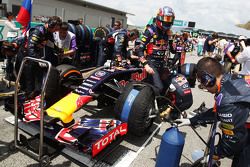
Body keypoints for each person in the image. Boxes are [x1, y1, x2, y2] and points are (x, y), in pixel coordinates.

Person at [176, 57, 250, 167]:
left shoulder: (228, 100)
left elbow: (233, 141)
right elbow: (219, 112)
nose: (203, 87)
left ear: (208, 80)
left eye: (202, 83)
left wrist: (214, 154)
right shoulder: (231, 79)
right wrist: (192, 120)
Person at [15, 16, 62, 98]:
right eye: (55, 29)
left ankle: (36, 94)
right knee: (29, 79)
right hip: (25, 55)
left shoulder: (48, 32)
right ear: (50, 25)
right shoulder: (37, 31)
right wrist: (39, 60)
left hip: (34, 55)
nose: (56, 31)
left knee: (38, 76)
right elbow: (30, 48)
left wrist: (58, 50)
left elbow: (49, 43)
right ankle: (27, 97)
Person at [137, 6, 176, 94]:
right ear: (159, 18)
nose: (168, 21)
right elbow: (139, 49)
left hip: (162, 63)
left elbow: (173, 51)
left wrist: (170, 39)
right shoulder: (150, 31)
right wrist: (146, 65)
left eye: (170, 19)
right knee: (159, 87)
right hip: (151, 63)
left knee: (169, 84)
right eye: (166, 18)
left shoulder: (167, 33)